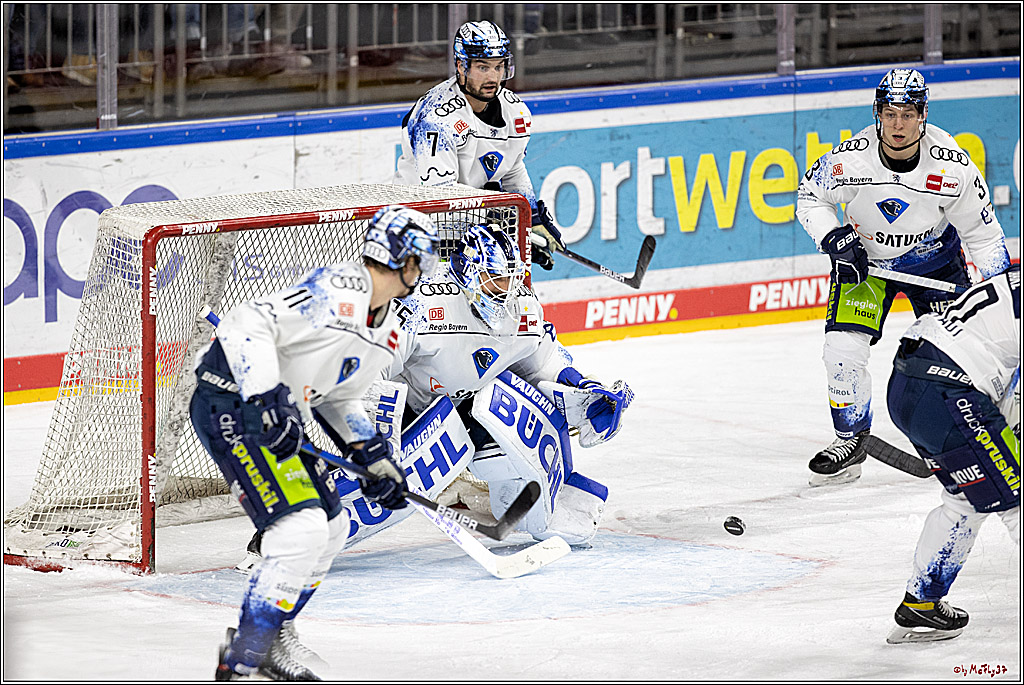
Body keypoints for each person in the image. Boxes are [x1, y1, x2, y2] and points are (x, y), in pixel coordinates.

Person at [189, 206, 439, 681]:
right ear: (405, 260)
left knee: (332, 527)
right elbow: (244, 324)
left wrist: (374, 456)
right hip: (231, 401)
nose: (425, 271)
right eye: (422, 259)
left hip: (276, 414)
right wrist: (264, 400)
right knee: (298, 530)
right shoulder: (336, 291)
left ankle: (273, 633)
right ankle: (245, 661)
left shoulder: (387, 330)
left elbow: (339, 395)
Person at [796, 67, 1011, 486]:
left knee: (961, 359)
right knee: (841, 349)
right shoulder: (848, 159)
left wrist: (1003, 294)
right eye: (890, 113)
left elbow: (983, 237)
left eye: (908, 113)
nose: (898, 124)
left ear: (922, 114)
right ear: (878, 113)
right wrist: (833, 238)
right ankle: (851, 440)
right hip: (865, 266)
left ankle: (971, 437)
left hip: (935, 264)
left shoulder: (953, 167)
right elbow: (810, 197)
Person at [884, 264, 1019, 643]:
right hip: (950, 391)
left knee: (966, 499)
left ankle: (922, 602)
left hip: (910, 384)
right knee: (1017, 499)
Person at [393, 19, 566, 272]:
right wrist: (501, 219)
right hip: (422, 242)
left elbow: (513, 170)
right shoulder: (436, 118)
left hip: (472, 237)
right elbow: (442, 201)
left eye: (498, 67)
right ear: (462, 66)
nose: (493, 77)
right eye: (483, 68)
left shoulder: (515, 111)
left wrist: (530, 219)